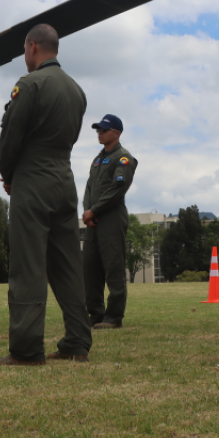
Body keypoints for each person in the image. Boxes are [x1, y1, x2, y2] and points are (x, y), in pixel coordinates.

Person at [0, 23, 92, 366]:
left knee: (28, 266)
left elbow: (11, 138)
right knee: (67, 266)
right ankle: (78, 340)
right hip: (64, 180)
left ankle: (26, 349)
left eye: (24, 50)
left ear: (32, 47)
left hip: (32, 180)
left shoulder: (30, 84)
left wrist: (8, 175)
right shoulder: (77, 90)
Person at [81, 114, 137, 330]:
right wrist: (88, 211)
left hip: (112, 218)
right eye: (98, 130)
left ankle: (114, 317)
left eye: (104, 129)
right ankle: (96, 314)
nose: (100, 133)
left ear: (117, 132)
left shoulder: (123, 158)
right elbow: (88, 187)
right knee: (90, 268)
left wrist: (94, 210)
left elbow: (117, 188)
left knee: (113, 267)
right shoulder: (97, 159)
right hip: (93, 219)